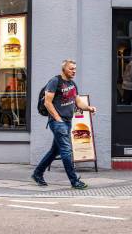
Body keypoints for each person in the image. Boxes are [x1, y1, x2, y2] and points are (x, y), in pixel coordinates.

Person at [31, 59, 96, 189]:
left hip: (67, 121)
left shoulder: (72, 84)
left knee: (54, 151)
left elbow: (77, 102)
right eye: (71, 69)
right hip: (58, 123)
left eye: (75, 69)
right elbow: (47, 102)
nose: (74, 71)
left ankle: (37, 173)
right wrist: (57, 118)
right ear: (64, 69)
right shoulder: (55, 81)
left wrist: (89, 108)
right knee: (66, 151)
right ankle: (75, 181)